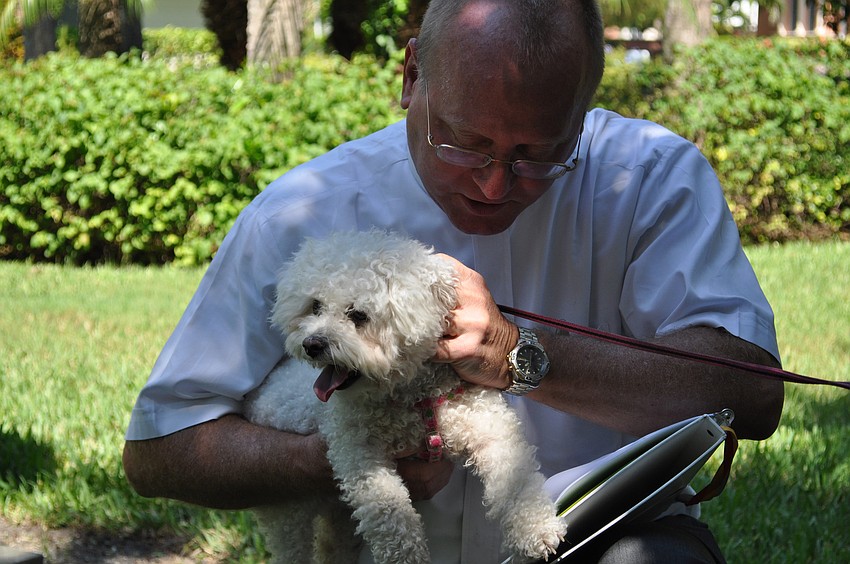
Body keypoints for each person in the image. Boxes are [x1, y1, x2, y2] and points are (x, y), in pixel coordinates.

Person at [123, 0, 784, 561]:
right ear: (411, 76)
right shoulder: (301, 212)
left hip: (600, 537)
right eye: (462, 143)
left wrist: (522, 353)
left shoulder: (650, 179)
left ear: (584, 108)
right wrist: (346, 460)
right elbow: (161, 449)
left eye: (539, 155)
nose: (495, 184)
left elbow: (754, 396)